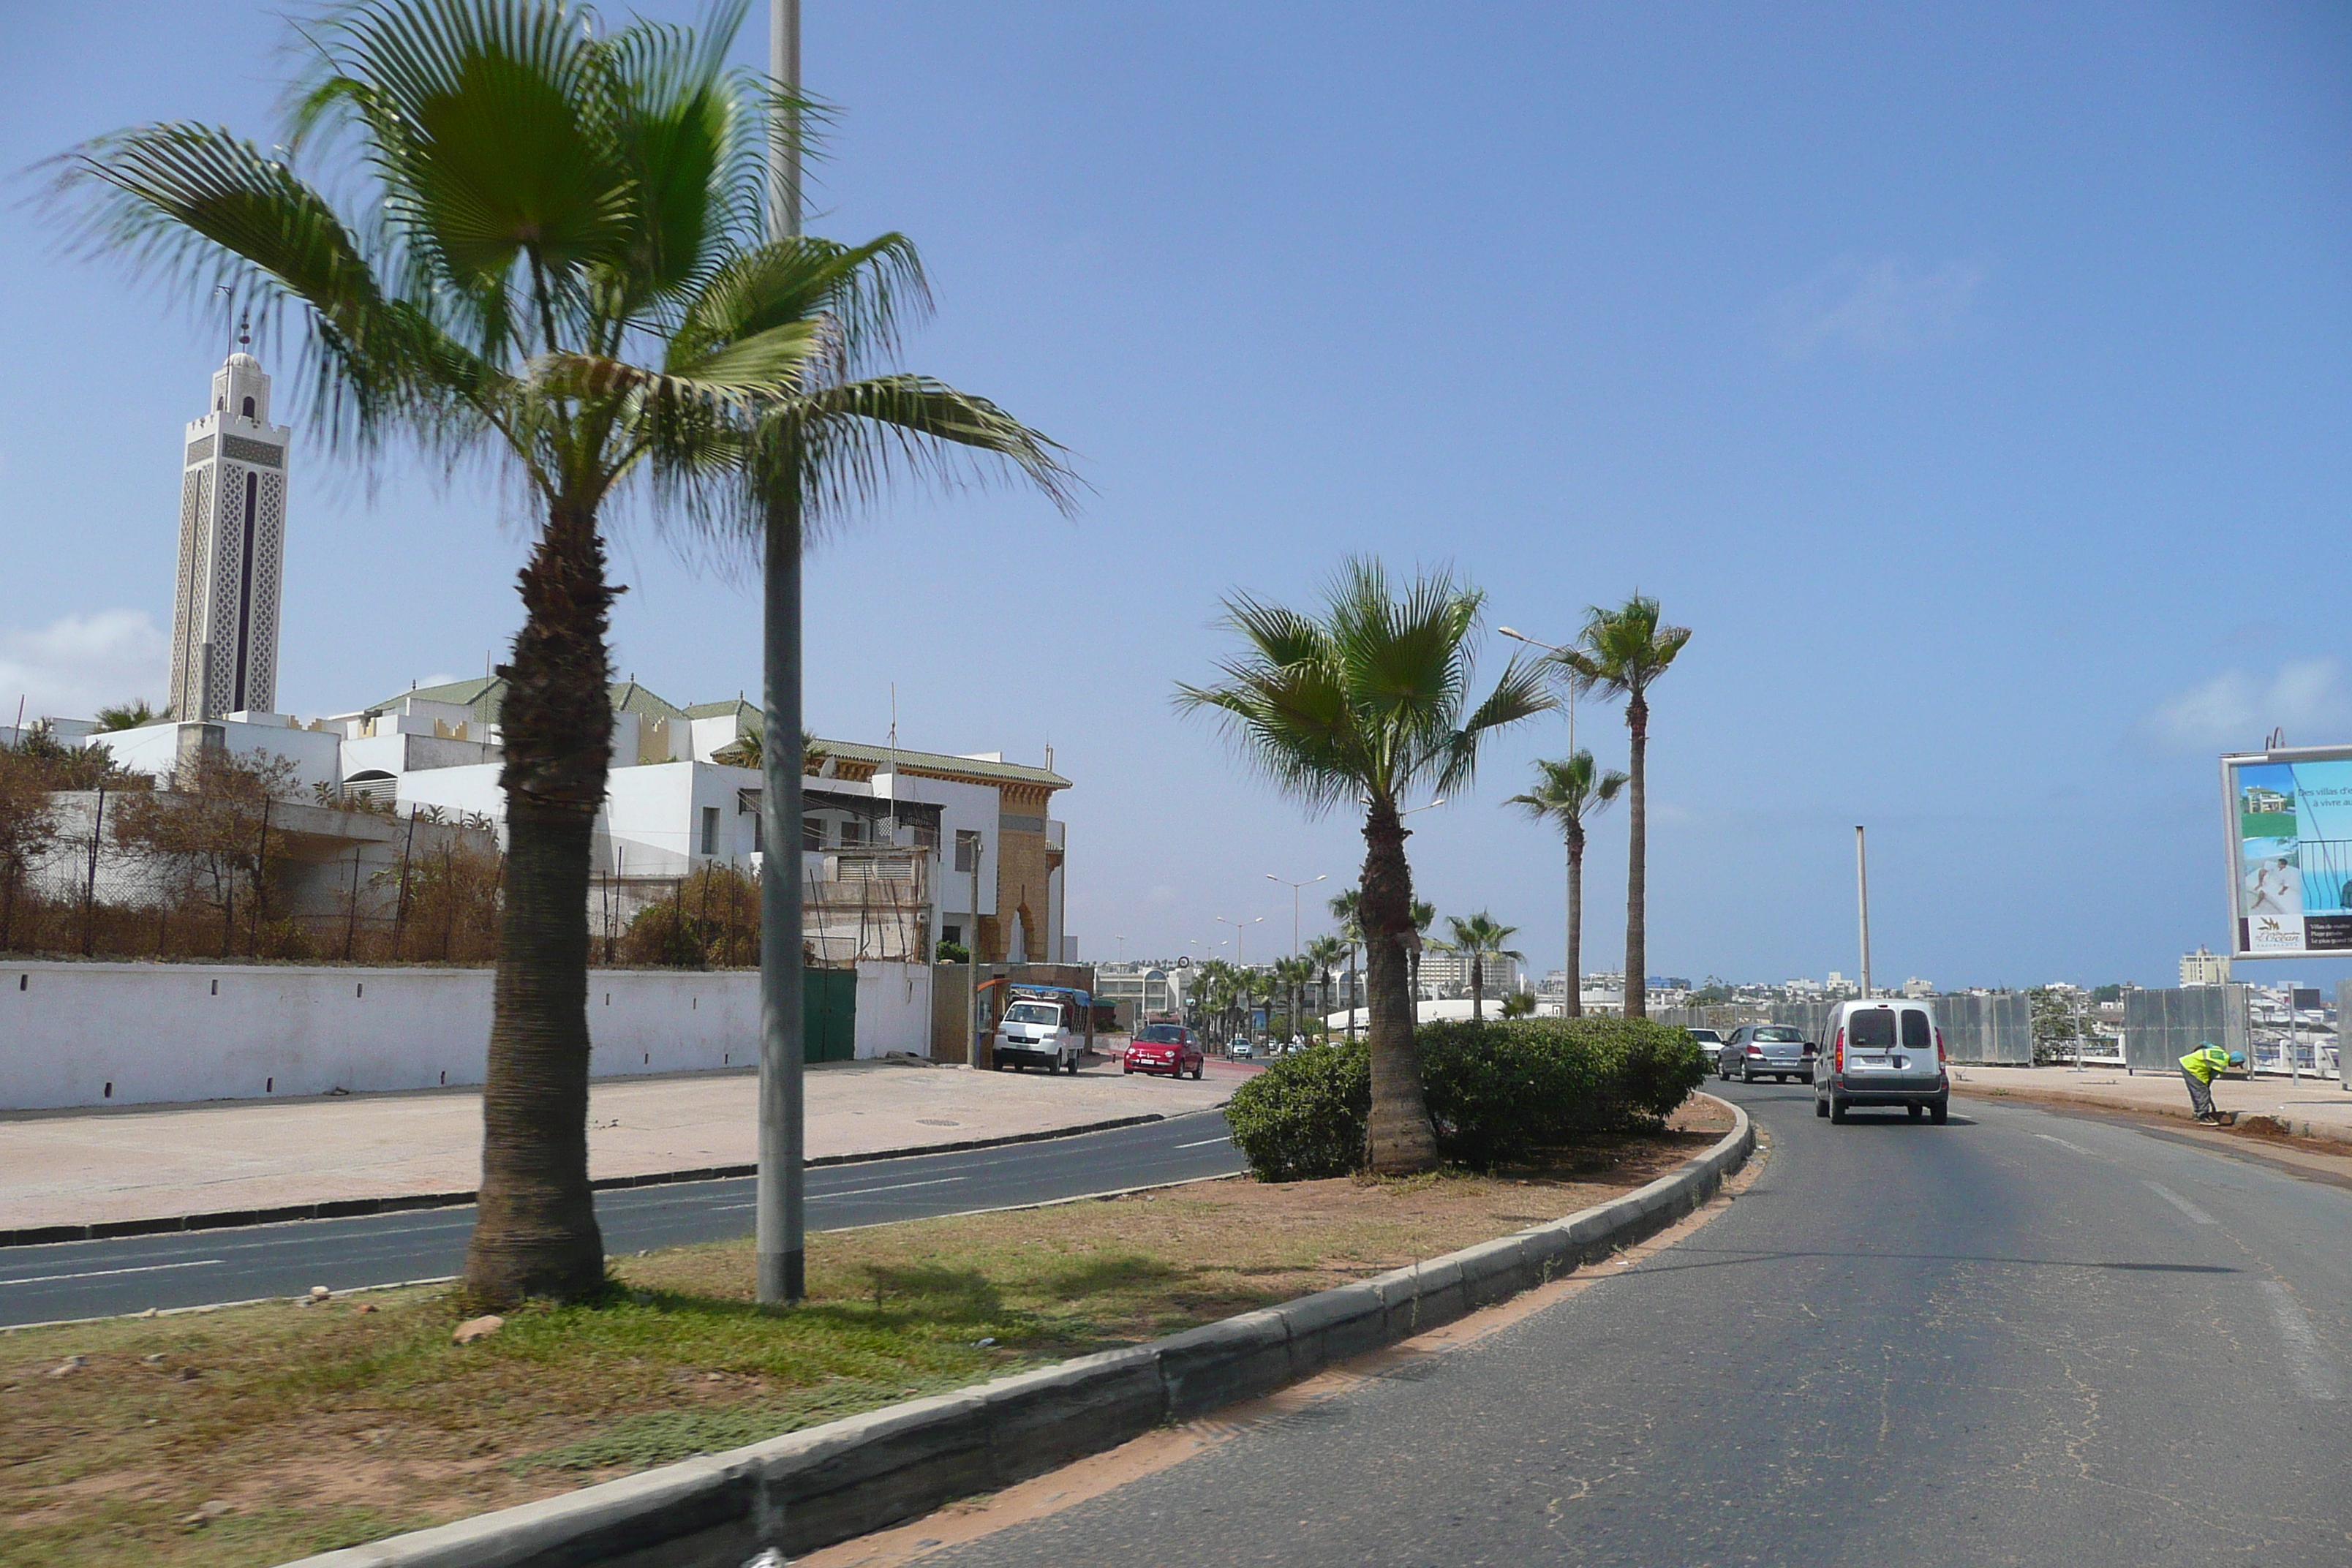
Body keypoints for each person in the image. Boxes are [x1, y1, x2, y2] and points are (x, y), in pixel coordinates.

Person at [2179, 1041, 2236, 1123]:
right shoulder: (2222, 1064)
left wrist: (2195, 1050)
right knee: (2202, 1092)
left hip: (2186, 1062)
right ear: (2234, 1061)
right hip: (2194, 1069)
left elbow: (2205, 1043)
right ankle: (2203, 1116)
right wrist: (2207, 1087)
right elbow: (2210, 1077)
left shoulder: (2219, 1050)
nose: (2236, 1066)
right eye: (2237, 1064)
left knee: (2196, 1091)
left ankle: (2197, 1113)